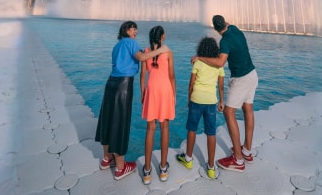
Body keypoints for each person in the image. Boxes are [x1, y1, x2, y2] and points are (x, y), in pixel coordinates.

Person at [94, 21, 167, 180]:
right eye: (133, 29)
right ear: (126, 30)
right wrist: (161, 49)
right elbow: (141, 57)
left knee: (107, 119)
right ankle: (120, 167)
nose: (135, 31)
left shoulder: (117, 45)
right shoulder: (130, 42)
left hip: (111, 83)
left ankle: (107, 159)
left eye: (136, 29)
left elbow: (135, 56)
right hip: (123, 85)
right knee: (120, 122)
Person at [212, 15, 258, 172]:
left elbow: (220, 62)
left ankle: (238, 160)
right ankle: (246, 151)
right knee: (248, 110)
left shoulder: (224, 41)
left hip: (241, 79)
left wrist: (200, 58)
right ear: (226, 23)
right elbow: (229, 25)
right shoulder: (235, 29)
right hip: (252, 74)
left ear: (215, 29)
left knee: (228, 112)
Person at [175, 37, 226, 179]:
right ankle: (210, 167)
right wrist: (222, 101)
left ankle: (188, 159)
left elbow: (191, 83)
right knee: (211, 133)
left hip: (196, 99)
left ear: (201, 49)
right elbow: (221, 86)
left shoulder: (197, 62)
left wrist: (189, 98)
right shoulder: (219, 66)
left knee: (192, 129)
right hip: (211, 101)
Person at [139, 26, 176, 184]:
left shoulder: (145, 53)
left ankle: (147, 171)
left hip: (151, 91)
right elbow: (172, 76)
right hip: (165, 90)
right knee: (164, 127)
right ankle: (162, 168)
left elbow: (142, 76)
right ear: (163, 37)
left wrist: (143, 95)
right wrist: (174, 95)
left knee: (150, 129)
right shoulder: (168, 52)